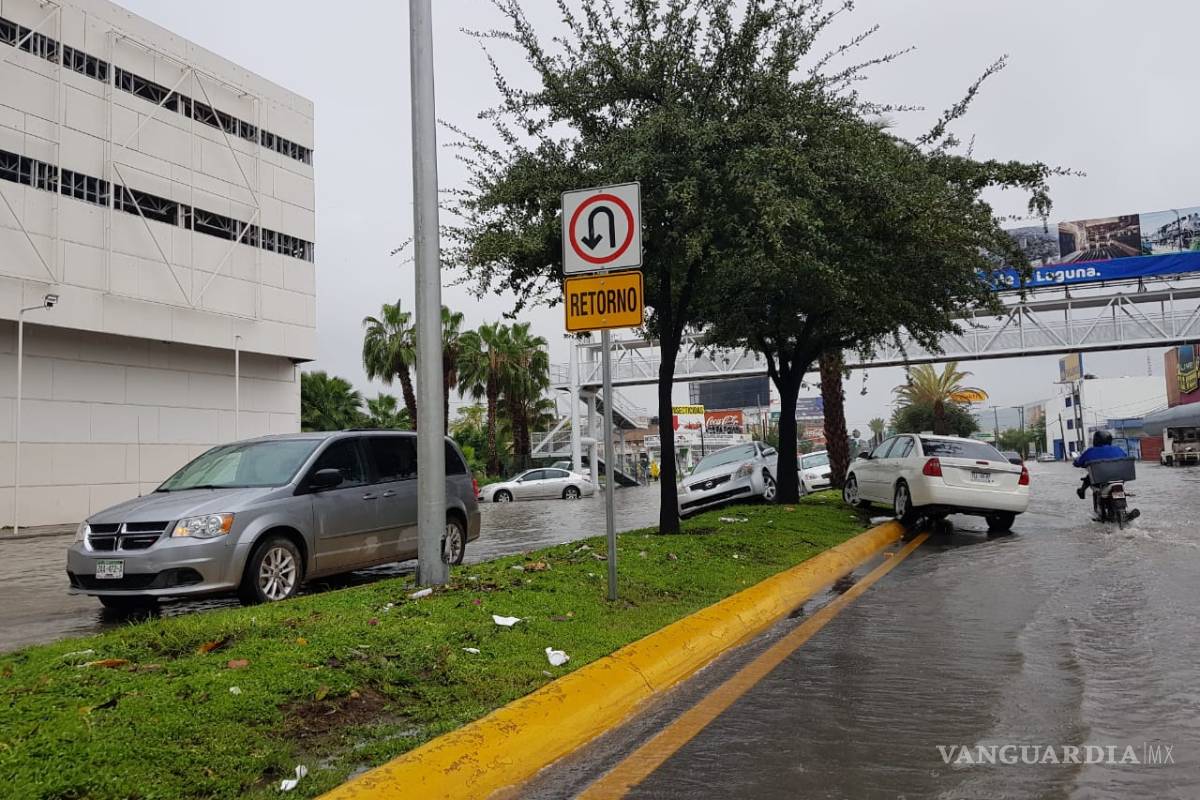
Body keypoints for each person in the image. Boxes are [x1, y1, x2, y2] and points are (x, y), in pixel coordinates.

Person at [1072, 430, 1126, 499]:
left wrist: (1076, 462)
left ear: (1096, 440)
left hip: (1099, 481)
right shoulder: (1118, 449)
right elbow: (1125, 457)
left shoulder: (1090, 451)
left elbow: (1078, 462)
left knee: (1089, 476)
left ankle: (1082, 491)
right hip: (1119, 479)